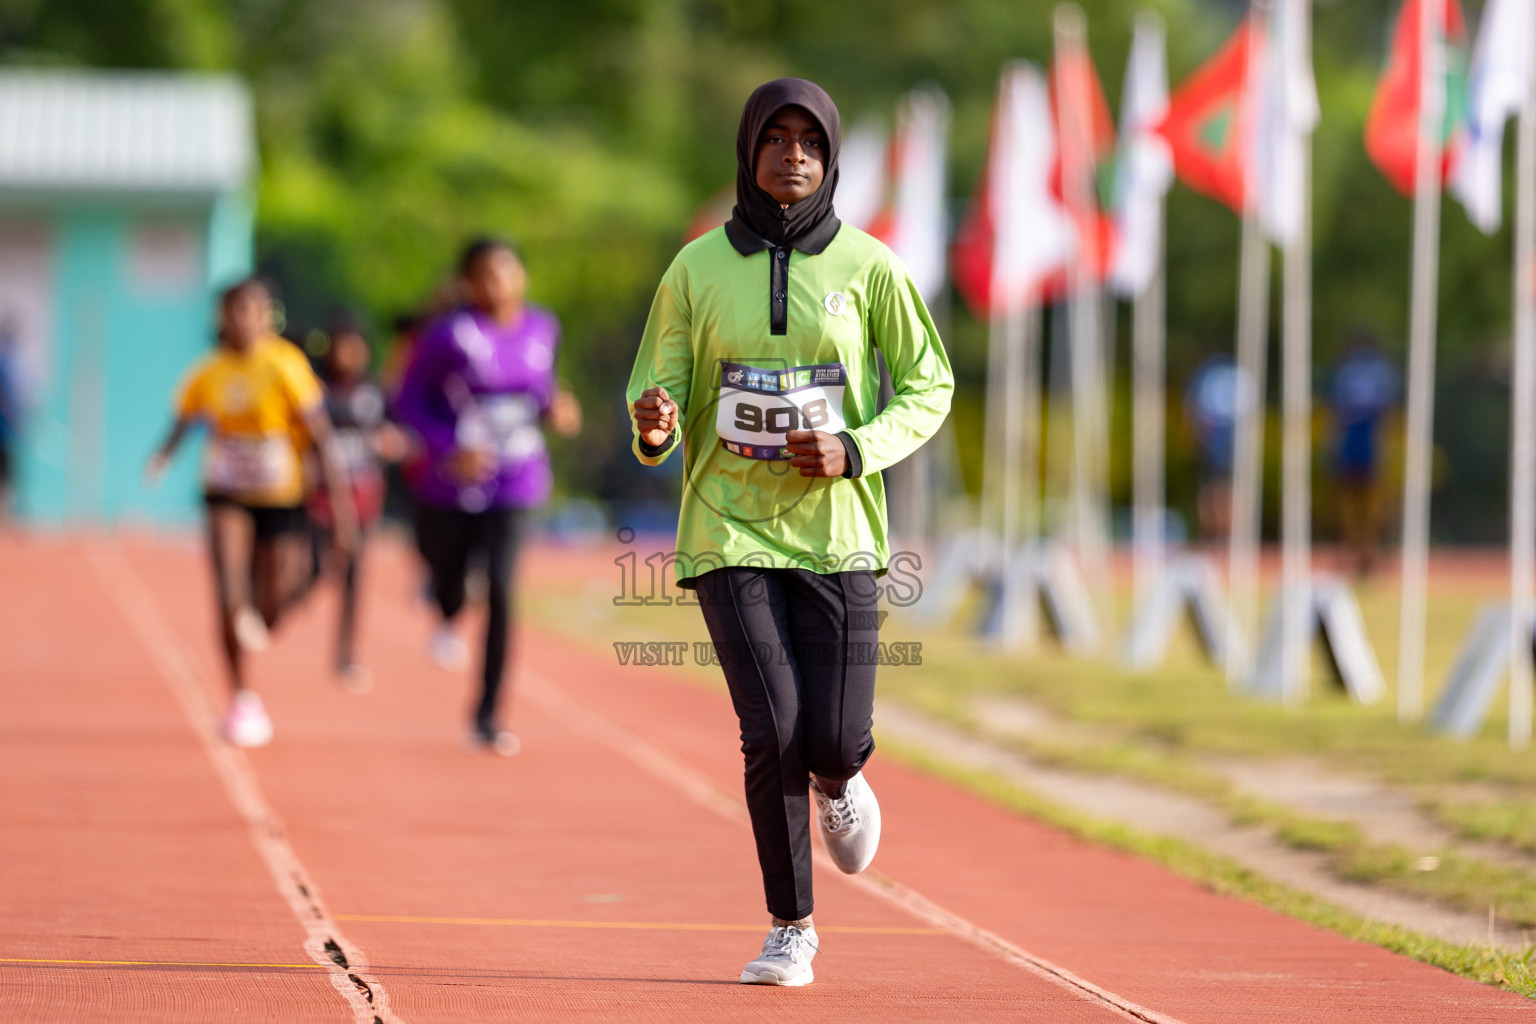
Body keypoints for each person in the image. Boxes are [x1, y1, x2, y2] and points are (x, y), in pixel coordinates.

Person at [626, 78, 952, 987]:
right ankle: (791, 926)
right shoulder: (694, 269)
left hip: (838, 531)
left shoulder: (872, 267)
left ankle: (841, 779)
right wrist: (654, 422)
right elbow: (657, 388)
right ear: (748, 150)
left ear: (831, 157)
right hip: (727, 527)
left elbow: (929, 385)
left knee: (830, 739)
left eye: (811, 140)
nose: (794, 153)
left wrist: (856, 447)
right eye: (777, 137)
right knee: (769, 726)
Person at [147, 278, 358, 747]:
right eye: (234, 310)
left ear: (268, 316)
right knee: (227, 590)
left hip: (282, 495)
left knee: (275, 599)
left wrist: (342, 512)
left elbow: (322, 437)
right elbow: (184, 421)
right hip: (227, 492)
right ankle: (241, 697)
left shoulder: (286, 365)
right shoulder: (208, 371)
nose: (243, 319)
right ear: (221, 317)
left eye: (253, 310)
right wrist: (161, 458)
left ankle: (260, 615)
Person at [394, 237, 582, 755]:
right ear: (468, 282)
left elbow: (542, 389)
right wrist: (449, 445)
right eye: (484, 274)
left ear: (521, 277)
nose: (497, 283)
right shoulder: (448, 335)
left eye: (506, 272)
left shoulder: (544, 327)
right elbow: (409, 398)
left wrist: (557, 410)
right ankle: (446, 599)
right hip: (450, 483)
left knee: (501, 590)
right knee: (451, 581)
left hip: (517, 478)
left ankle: (488, 713)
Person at [310, 319, 408, 691]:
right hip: (319, 496)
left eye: (355, 347)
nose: (348, 355)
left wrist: (394, 443)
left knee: (354, 575)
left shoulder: (375, 394)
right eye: (340, 346)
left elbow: (399, 434)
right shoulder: (315, 390)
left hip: (362, 496)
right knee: (314, 567)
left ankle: (347, 652)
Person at [1327, 335, 1401, 577]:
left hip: (1360, 446)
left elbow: (1337, 413)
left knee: (1361, 506)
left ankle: (1363, 555)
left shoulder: (1349, 373)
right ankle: (1362, 555)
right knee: (1365, 507)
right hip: (1365, 446)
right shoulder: (1378, 373)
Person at [1184, 353, 1253, 545]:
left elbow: (1194, 406)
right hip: (1221, 442)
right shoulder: (1225, 374)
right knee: (1217, 489)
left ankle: (1222, 533)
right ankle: (1217, 532)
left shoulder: (1208, 373)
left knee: (1219, 489)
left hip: (1221, 441)